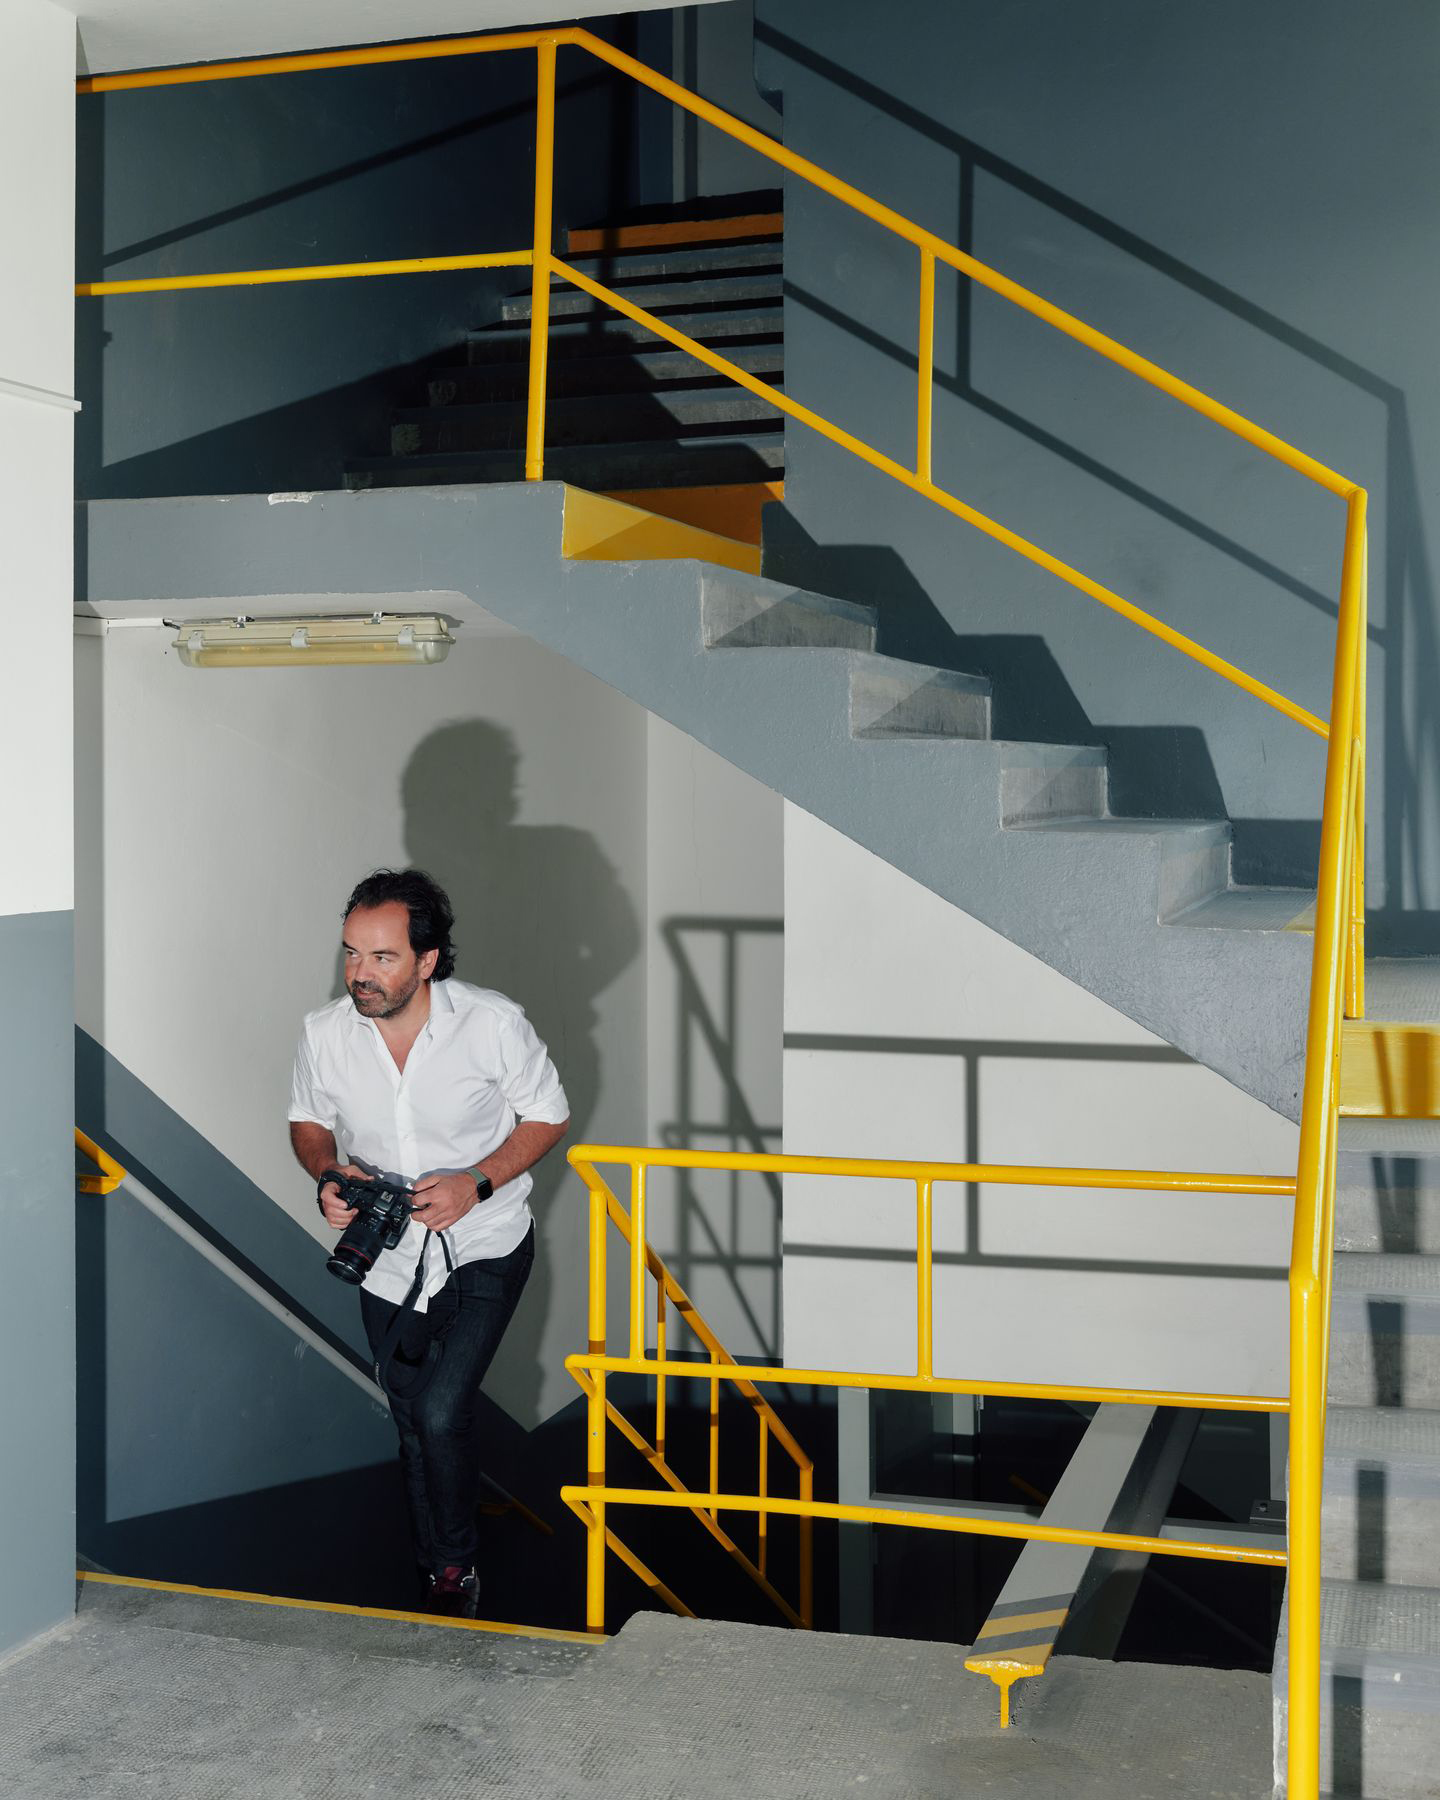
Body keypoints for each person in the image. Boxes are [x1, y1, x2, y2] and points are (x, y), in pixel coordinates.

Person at [288, 868, 569, 1618]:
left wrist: (476, 1181)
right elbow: (308, 1121)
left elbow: (548, 1115)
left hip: (484, 1242)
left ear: (428, 960)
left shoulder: (492, 1024)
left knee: (442, 1410)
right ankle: (438, 1570)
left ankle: (455, 1567)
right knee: (412, 1416)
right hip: (384, 1257)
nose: (360, 973)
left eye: (382, 957)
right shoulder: (324, 1033)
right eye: (352, 953)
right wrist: (327, 1173)